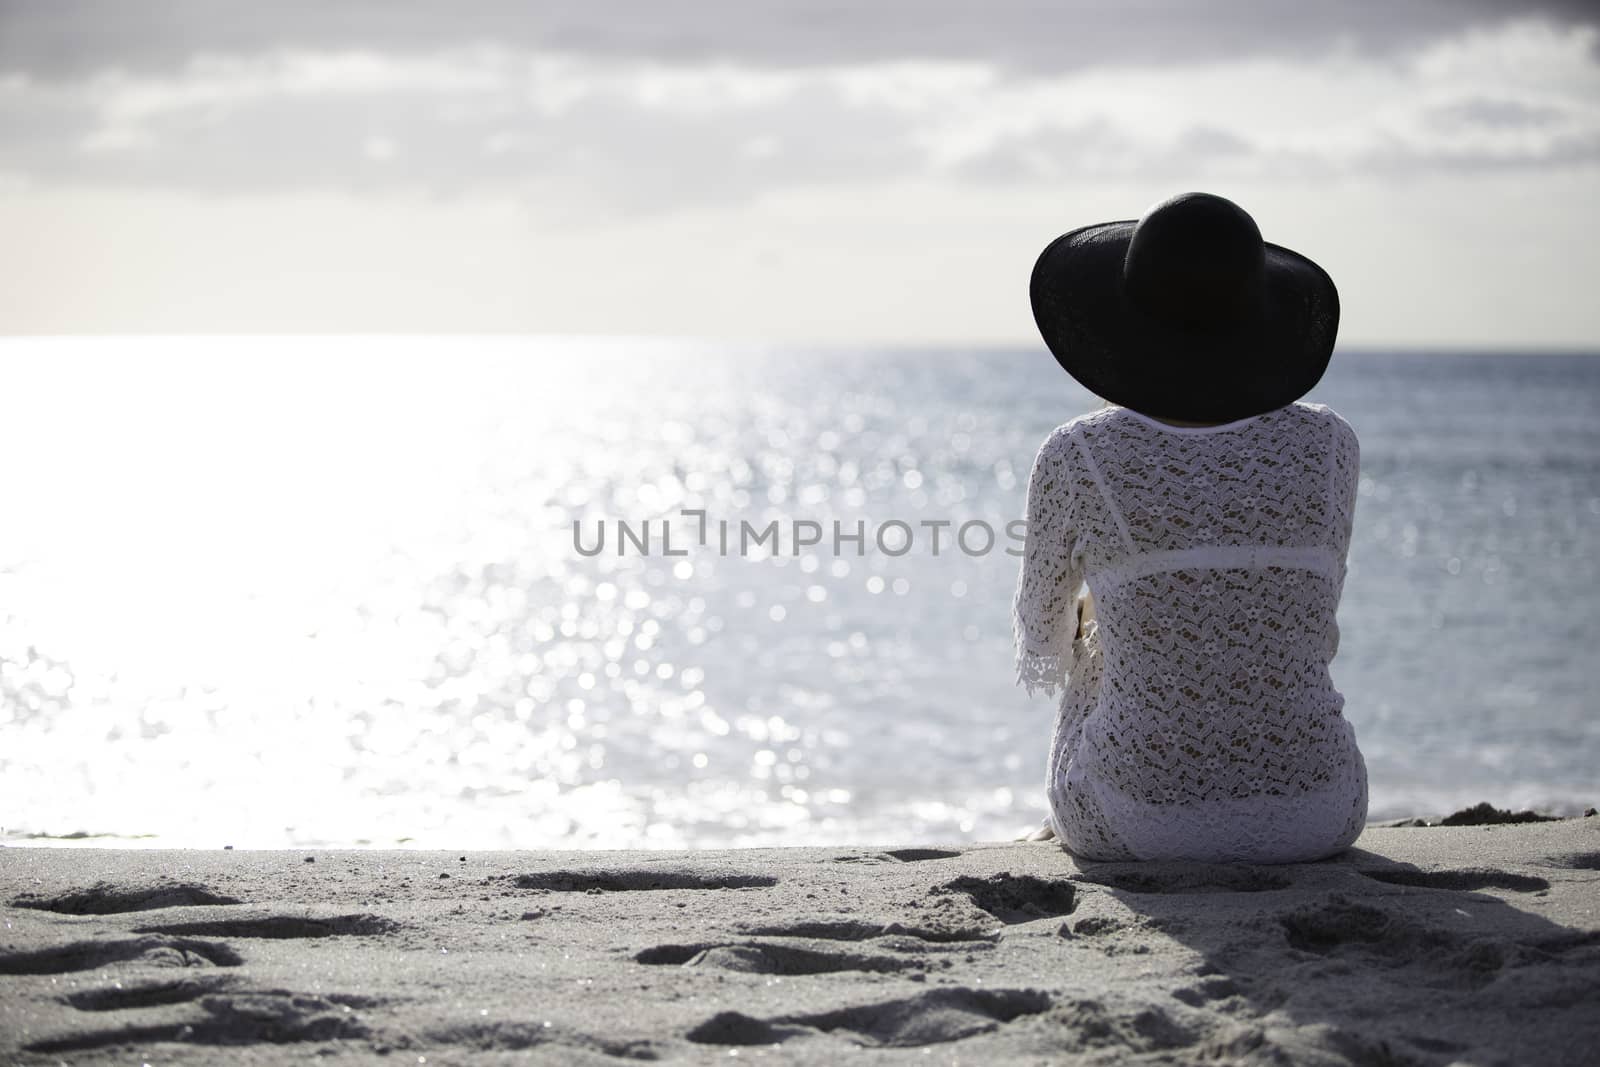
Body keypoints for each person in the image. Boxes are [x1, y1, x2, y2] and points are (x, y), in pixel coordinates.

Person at [1013, 191, 1368, 863]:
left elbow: (1042, 634)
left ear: (1124, 324)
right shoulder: (1331, 445)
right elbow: (1310, 622)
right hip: (1321, 808)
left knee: (1099, 630)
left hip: (1136, 818)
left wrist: (1108, 610)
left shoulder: (1078, 453)